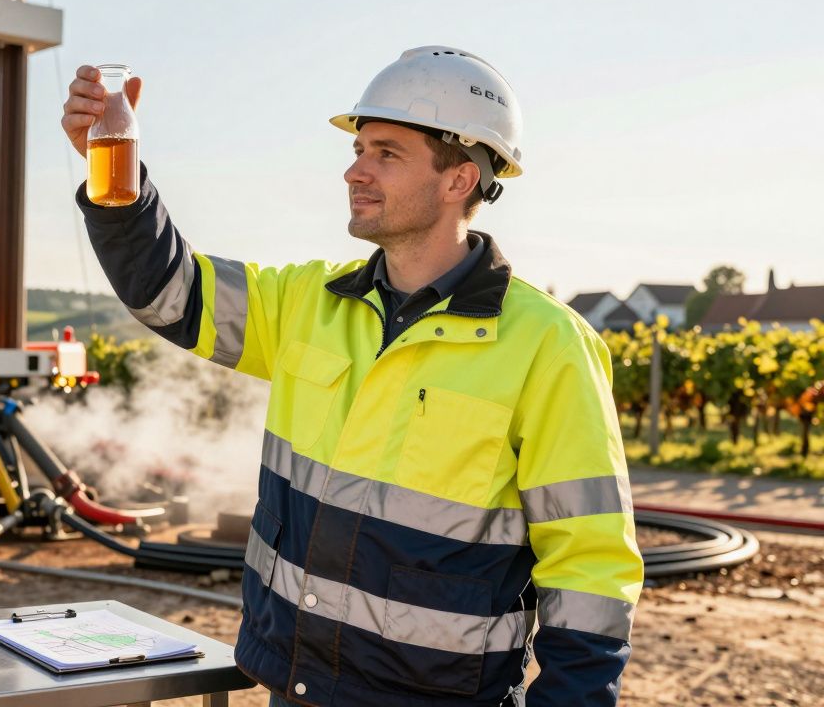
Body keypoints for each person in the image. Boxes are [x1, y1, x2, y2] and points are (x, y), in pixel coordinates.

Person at [62, 46, 643, 707]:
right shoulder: (311, 300)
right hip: (295, 689)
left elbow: (590, 568)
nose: (354, 171)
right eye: (359, 148)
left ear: (459, 179)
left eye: (385, 154)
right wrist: (117, 178)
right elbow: (171, 293)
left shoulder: (549, 345)